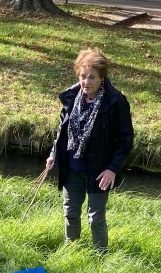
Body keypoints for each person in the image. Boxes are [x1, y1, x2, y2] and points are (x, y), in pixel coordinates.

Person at [45, 48, 133, 252]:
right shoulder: (71, 97)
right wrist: (54, 153)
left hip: (100, 170)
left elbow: (125, 140)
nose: (86, 82)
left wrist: (112, 168)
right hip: (72, 166)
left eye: (92, 77)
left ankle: (100, 258)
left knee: (96, 218)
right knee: (70, 212)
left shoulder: (116, 102)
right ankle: (71, 251)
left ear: (102, 77)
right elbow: (62, 129)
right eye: (83, 76)